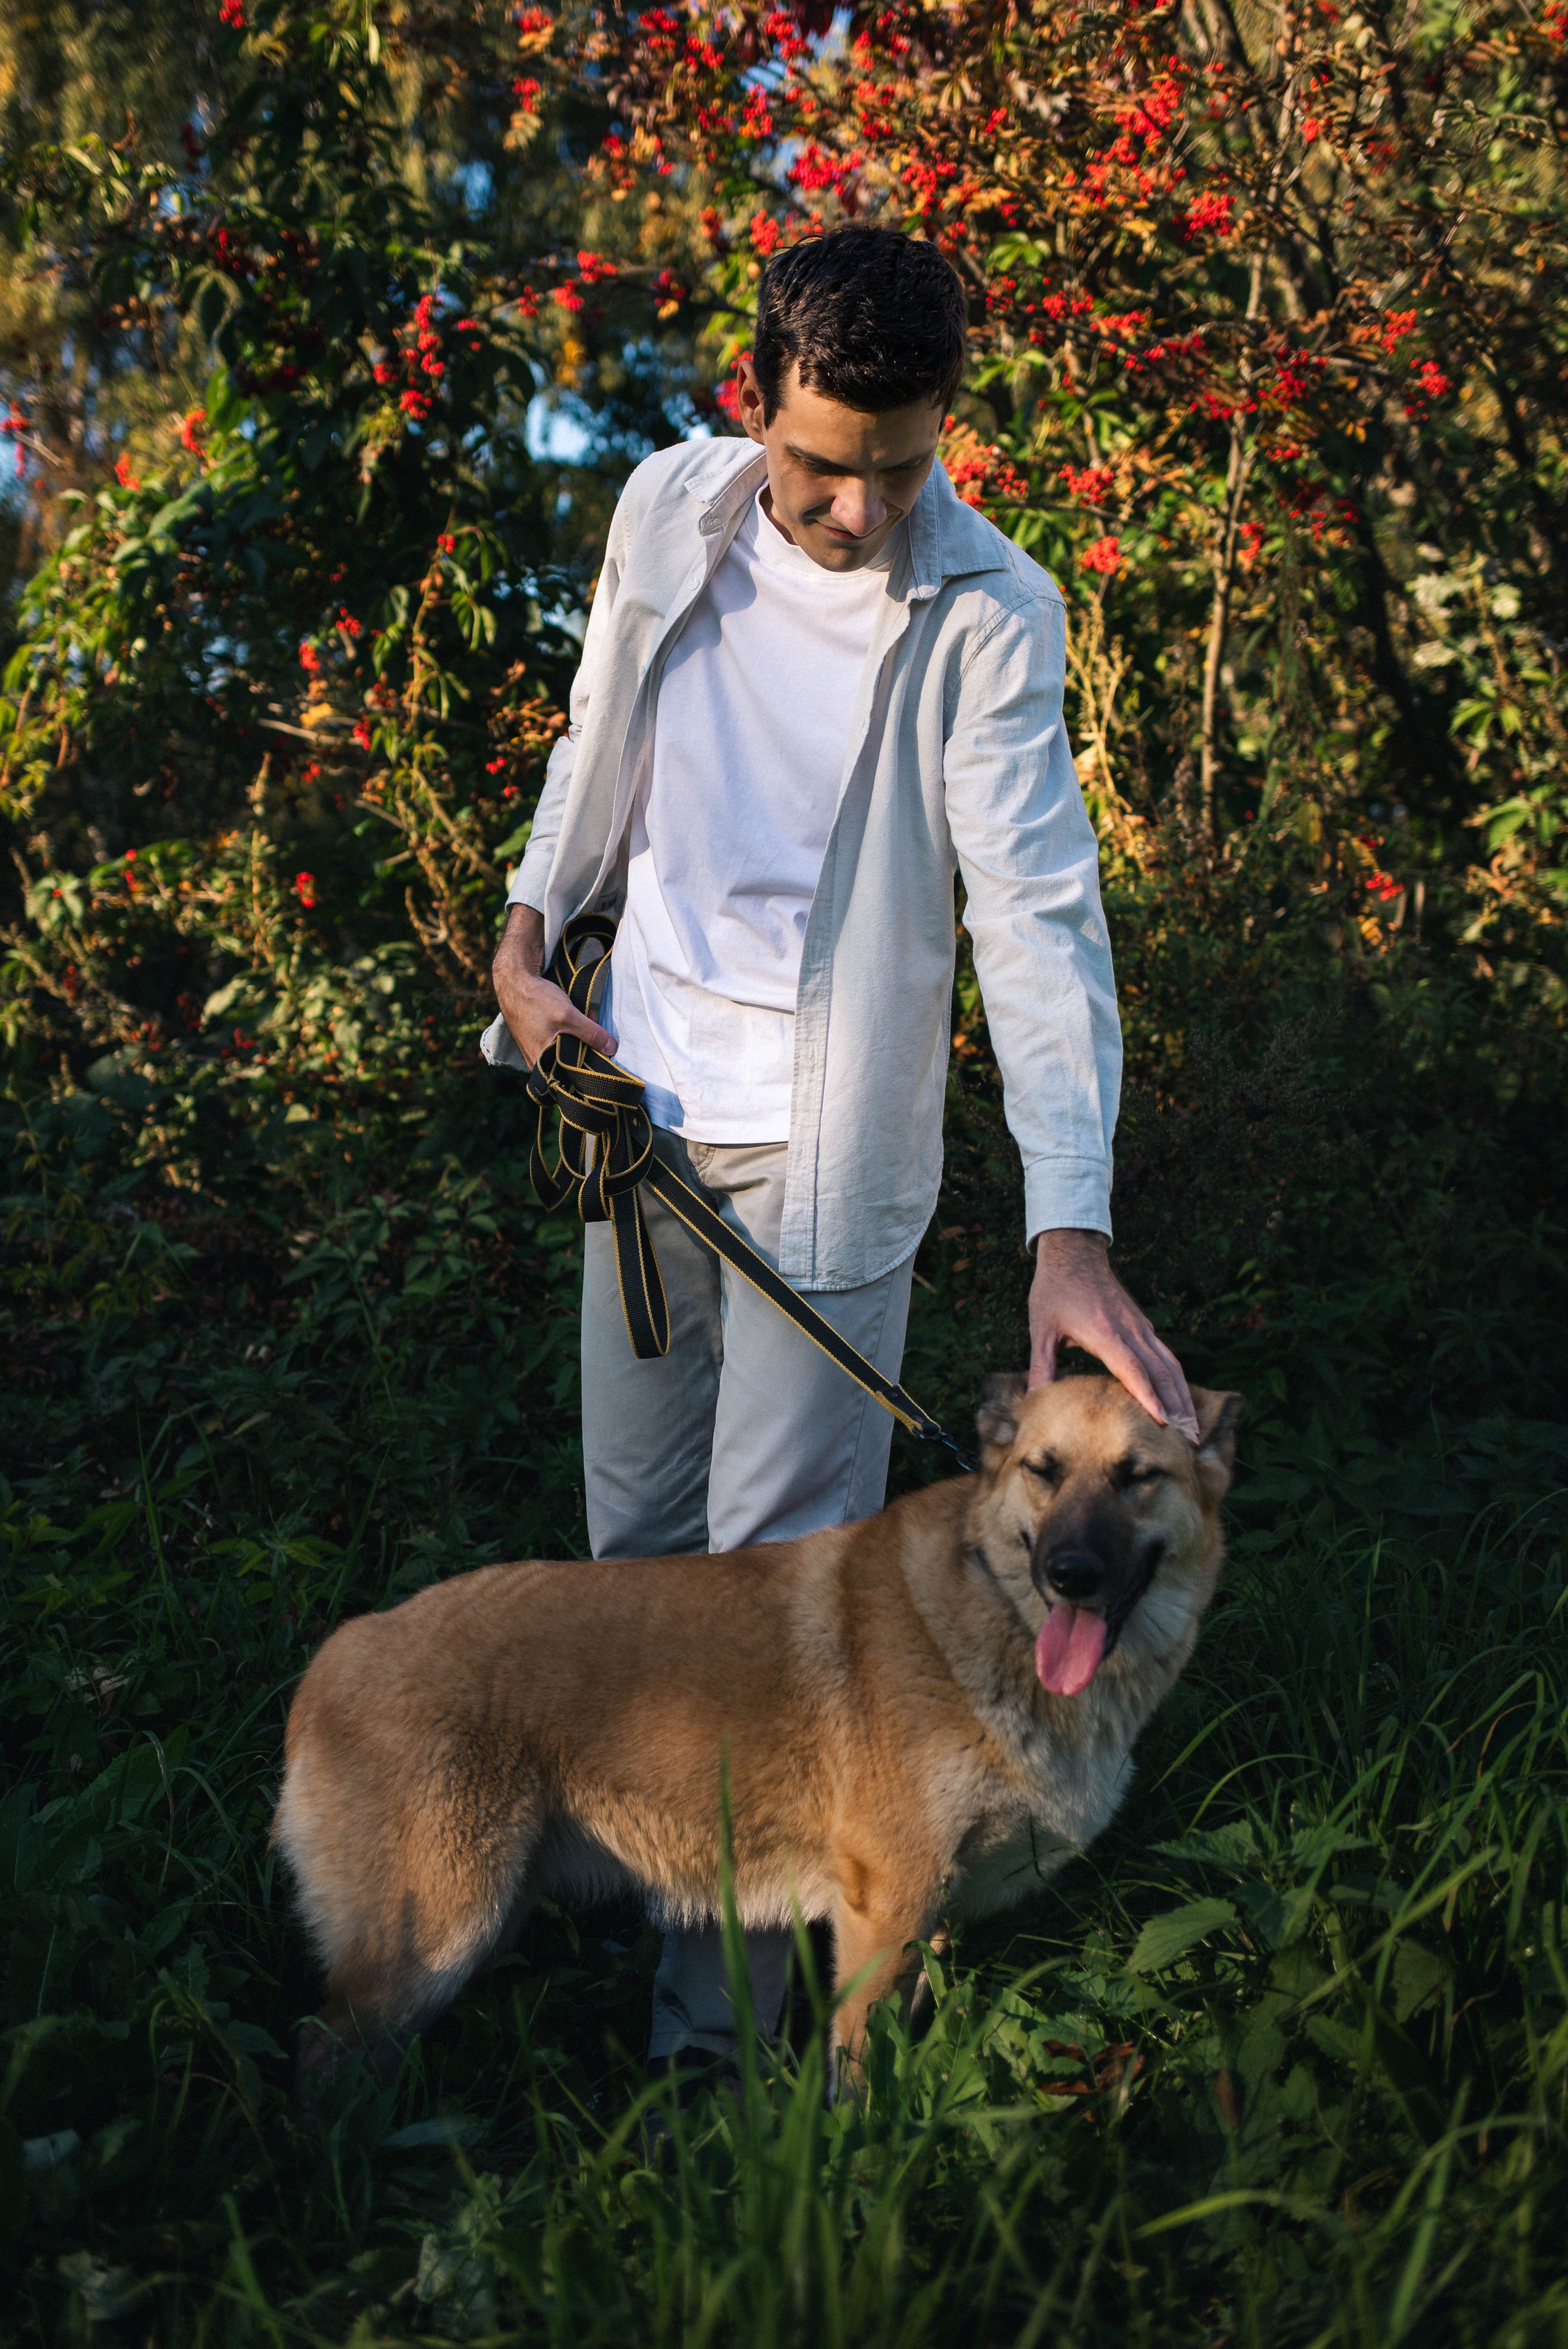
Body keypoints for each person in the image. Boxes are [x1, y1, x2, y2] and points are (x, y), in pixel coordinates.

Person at [484, 225, 1193, 2074]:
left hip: (828, 1154)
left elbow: (1041, 921)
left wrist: (1072, 1227)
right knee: (632, 1566)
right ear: (750, 408)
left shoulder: (992, 610)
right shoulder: (665, 511)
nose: (864, 512)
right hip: (643, 1129)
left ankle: (716, 2063)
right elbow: (597, 746)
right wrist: (523, 936)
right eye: (824, 469)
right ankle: (654, 1939)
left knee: (765, 1590)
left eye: (901, 467)